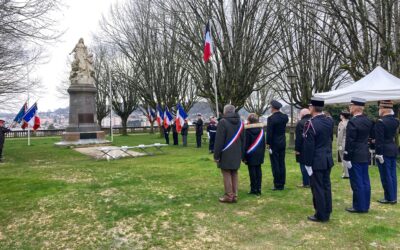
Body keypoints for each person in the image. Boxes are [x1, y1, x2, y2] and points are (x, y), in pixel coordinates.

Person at [303, 97, 334, 222]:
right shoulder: (329, 121)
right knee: (326, 186)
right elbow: (330, 139)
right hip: (326, 158)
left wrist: (308, 163)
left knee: (318, 187)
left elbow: (309, 146)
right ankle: (327, 210)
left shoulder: (310, 124)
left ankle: (321, 214)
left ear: (312, 108)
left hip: (316, 160)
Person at [343, 97, 374, 213]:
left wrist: (346, 157)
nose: (349, 108)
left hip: (355, 154)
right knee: (365, 180)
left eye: (351, 106)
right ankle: (365, 205)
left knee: (357, 181)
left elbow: (350, 141)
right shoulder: (368, 120)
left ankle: (359, 206)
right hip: (364, 153)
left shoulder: (353, 122)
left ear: (356, 107)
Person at [214, 104, 245, 203]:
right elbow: (243, 140)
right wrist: (242, 154)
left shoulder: (222, 122)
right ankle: (234, 195)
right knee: (234, 173)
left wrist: (216, 155)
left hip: (226, 153)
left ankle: (229, 196)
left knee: (226, 173)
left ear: (225, 111)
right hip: (237, 152)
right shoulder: (241, 122)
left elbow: (219, 141)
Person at [375, 100, 399, 204]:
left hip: (384, 150)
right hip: (393, 148)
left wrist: (379, 153)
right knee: (393, 174)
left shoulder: (381, 122)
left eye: (380, 108)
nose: (379, 110)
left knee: (386, 175)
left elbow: (379, 140)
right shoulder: (396, 121)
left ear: (384, 109)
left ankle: (389, 197)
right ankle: (393, 196)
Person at [266, 100, 289, 190]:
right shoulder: (285, 117)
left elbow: (269, 133)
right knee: (281, 163)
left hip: (274, 143)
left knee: (275, 164)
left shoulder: (271, 119)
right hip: (282, 142)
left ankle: (277, 183)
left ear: (273, 108)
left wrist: (268, 144)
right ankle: (282, 183)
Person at [243, 113, 266, 196]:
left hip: (250, 154)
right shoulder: (261, 130)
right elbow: (263, 143)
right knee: (258, 171)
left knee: (252, 171)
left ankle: (253, 189)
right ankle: (259, 189)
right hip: (259, 153)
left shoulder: (247, 131)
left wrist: (244, 156)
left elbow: (245, 144)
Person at [295, 108, 312, 188]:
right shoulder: (313, 120)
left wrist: (297, 149)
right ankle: (311, 181)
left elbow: (298, 138)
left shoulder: (300, 123)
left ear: (302, 114)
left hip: (303, 147)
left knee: (303, 165)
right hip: (312, 147)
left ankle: (306, 182)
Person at [337, 110, 351, 179]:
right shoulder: (350, 122)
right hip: (349, 143)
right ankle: (348, 172)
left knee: (344, 159)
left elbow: (340, 135)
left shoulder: (342, 123)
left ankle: (346, 174)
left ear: (342, 116)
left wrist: (339, 144)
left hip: (343, 143)